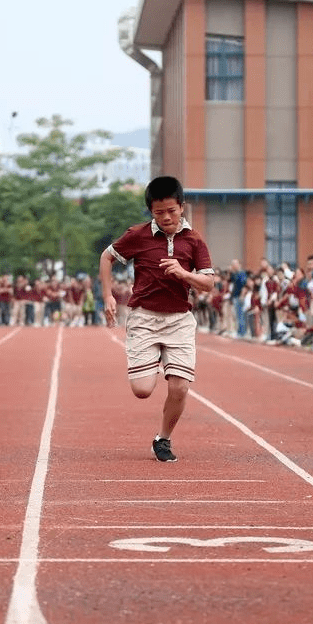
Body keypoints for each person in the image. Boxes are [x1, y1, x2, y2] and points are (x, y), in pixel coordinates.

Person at [99, 175, 215, 462]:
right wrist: (108, 295)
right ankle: (155, 359)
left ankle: (162, 439)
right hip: (144, 318)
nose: (166, 217)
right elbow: (106, 257)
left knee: (180, 386)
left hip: (179, 320)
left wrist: (184, 273)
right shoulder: (138, 235)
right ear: (151, 211)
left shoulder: (195, 240)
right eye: (158, 212)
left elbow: (208, 284)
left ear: (182, 207)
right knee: (142, 390)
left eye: (171, 211)